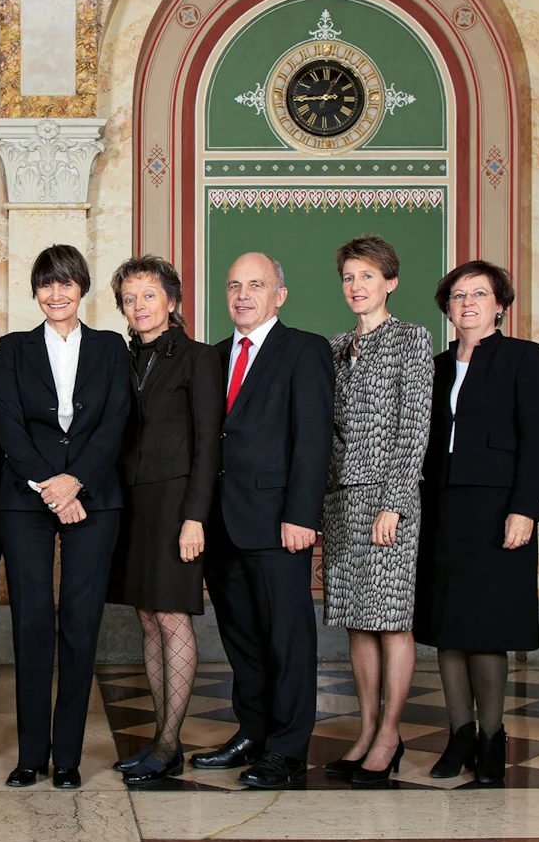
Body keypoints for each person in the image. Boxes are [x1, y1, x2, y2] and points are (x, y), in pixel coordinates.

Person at [192, 252, 334, 789]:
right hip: (222, 523)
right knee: (242, 637)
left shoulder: (304, 350)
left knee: (287, 638)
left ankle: (288, 749)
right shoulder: (213, 356)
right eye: (234, 285)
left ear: (281, 292)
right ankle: (252, 731)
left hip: (278, 523)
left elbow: (314, 439)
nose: (243, 295)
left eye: (255, 284)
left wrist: (302, 515)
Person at [0, 244, 130, 790]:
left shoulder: (111, 347)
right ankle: (31, 756)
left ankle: (68, 758)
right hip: (27, 496)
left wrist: (78, 481)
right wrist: (53, 487)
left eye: (67, 282)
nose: (57, 293)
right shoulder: (13, 348)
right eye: (47, 284)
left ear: (82, 288)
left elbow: (116, 421)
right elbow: (8, 424)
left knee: (80, 623)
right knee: (30, 623)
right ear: (35, 292)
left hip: (93, 494)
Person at [415, 260, 539, 787]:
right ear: (447, 307)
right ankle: (460, 735)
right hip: (443, 506)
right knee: (448, 629)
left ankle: (493, 739)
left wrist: (526, 508)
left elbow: (537, 441)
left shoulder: (524, 358)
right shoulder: (436, 365)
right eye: (457, 295)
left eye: (479, 294)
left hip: (498, 510)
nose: (467, 303)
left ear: (500, 304)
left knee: (486, 629)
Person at [106, 256, 222, 787]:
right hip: (131, 504)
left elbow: (207, 446)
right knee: (149, 618)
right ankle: (160, 737)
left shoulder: (197, 357)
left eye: (148, 295)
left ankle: (169, 743)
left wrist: (195, 516)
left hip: (176, 504)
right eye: (129, 298)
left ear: (172, 301)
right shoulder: (120, 357)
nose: (139, 306)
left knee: (173, 617)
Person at [322, 236, 433, 785]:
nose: (356, 286)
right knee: (355, 622)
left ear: (390, 282)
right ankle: (364, 730)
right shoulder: (336, 344)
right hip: (341, 499)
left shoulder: (412, 339)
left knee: (390, 620)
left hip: (389, 499)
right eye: (348, 277)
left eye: (366, 276)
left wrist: (394, 501)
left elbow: (414, 426)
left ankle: (390, 734)